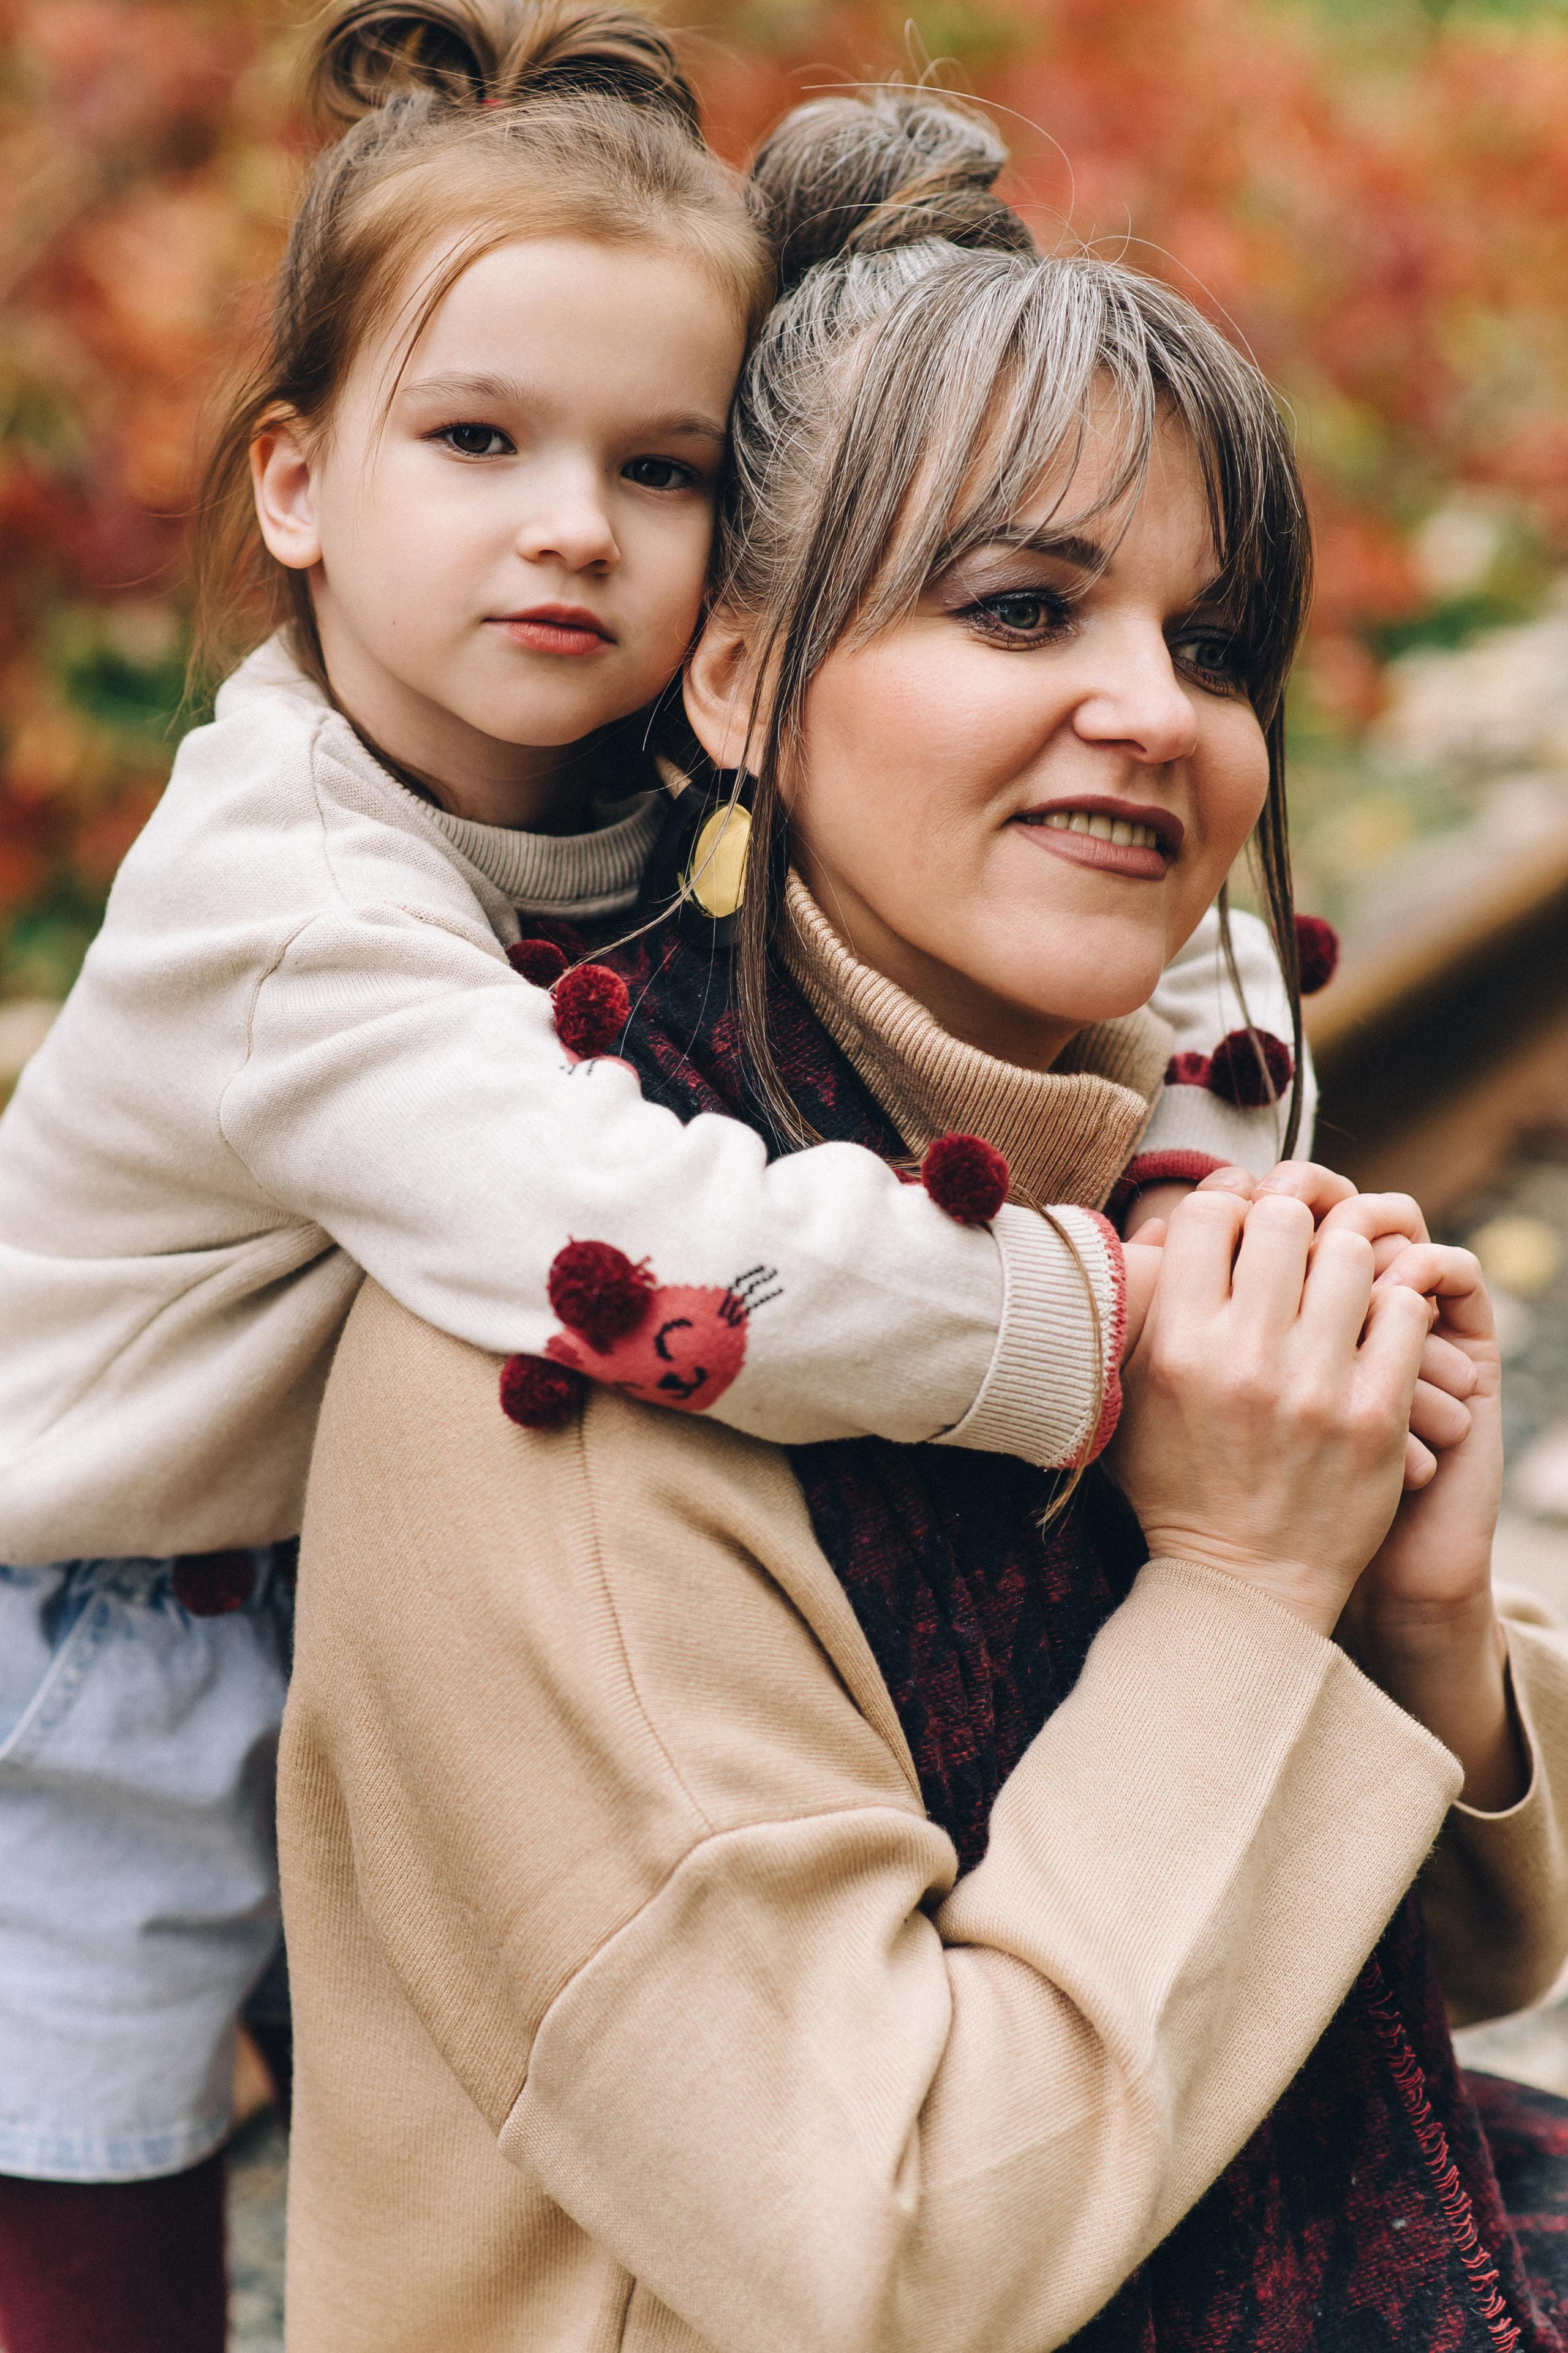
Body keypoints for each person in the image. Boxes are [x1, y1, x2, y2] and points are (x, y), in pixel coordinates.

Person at [0, 10, 1312, 2349]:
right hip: (88, 1632)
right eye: (476, 439)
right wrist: (1104, 1324)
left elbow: (1193, 941)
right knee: (96, 2242)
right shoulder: (287, 894)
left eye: (666, 464)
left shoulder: (609, 728)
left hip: (308, 1558)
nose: (574, 526)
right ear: (293, 482)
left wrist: (1215, 1173)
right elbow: (649, 1257)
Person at [278, 89, 1568, 2353]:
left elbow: (1441, 1965)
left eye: (1217, 642)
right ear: (738, 679)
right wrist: (1247, 1582)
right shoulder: (587, 1350)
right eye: (1022, 607)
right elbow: (877, 2258)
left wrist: (1414, 1618)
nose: (1151, 710)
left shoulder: (1131, 1157)